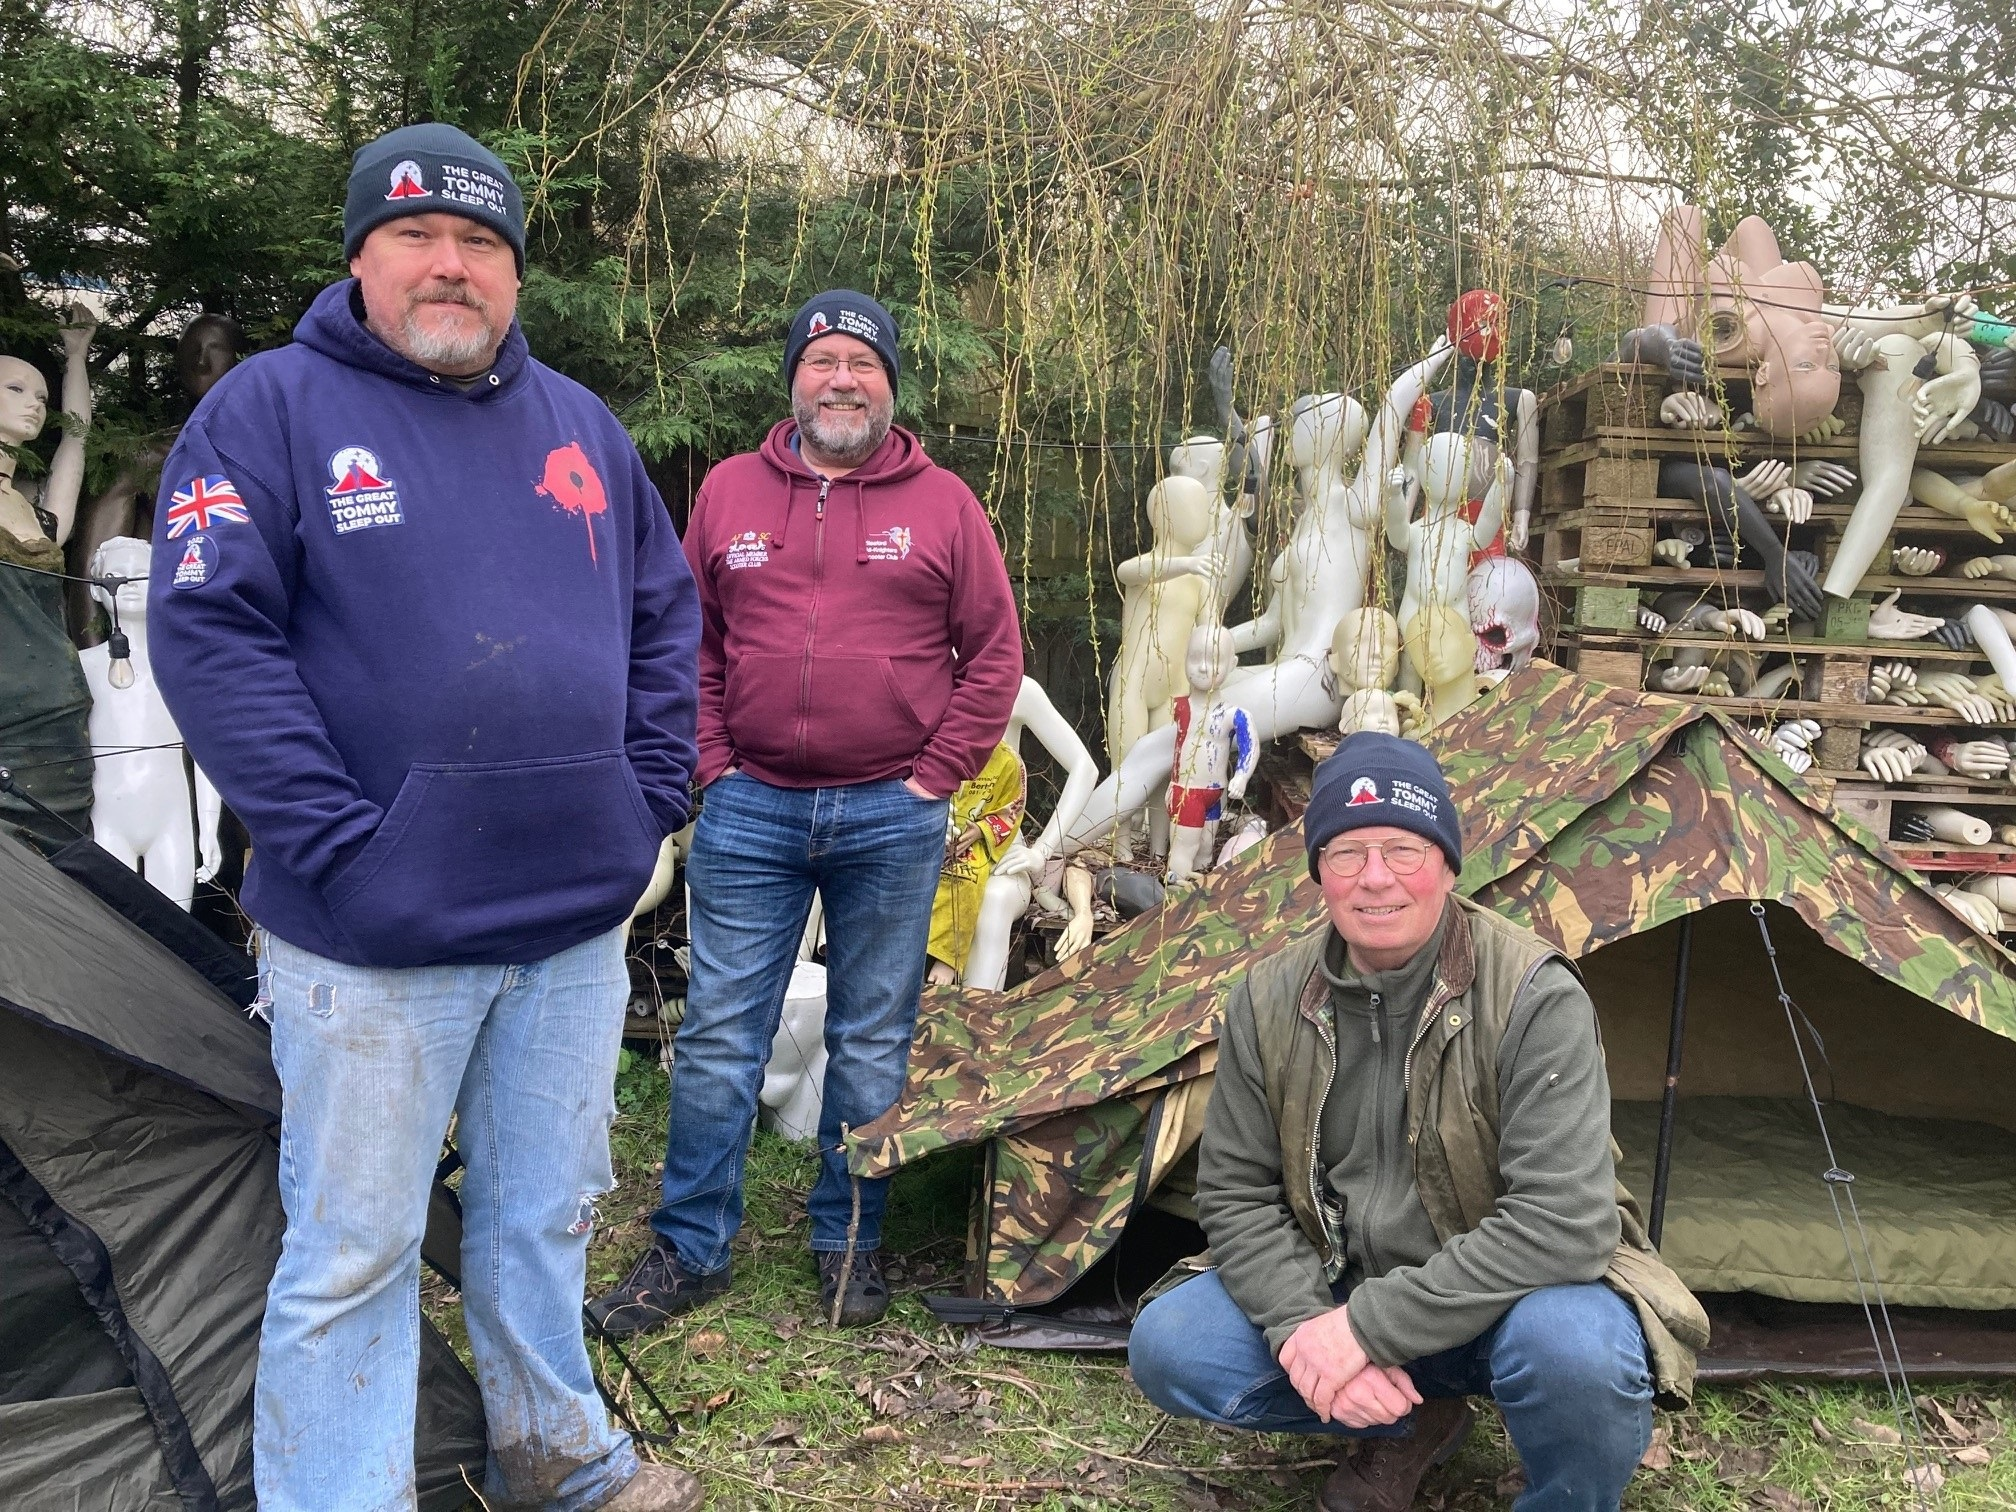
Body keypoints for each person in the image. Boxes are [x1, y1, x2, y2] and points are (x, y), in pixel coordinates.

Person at [148, 123, 704, 1512]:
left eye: (481, 244)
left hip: (572, 925)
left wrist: (643, 803)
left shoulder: (580, 425)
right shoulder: (270, 412)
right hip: (370, 937)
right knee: (355, 1249)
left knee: (544, 1219)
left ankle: (560, 1452)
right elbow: (213, 637)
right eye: (417, 238)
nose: (450, 267)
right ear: (360, 257)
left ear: (514, 272)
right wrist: (340, 843)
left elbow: (664, 621)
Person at [1127, 734, 1707, 1512]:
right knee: (1174, 1348)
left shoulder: (1533, 995)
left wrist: (1363, 1331)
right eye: (1346, 853)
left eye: (1403, 849)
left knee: (1578, 1355)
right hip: (1344, 1279)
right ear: (1318, 873)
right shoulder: (1266, 998)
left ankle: (1563, 1494)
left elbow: (1565, 1223)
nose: (1376, 879)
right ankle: (1410, 1420)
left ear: (1446, 862)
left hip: (1516, 1298)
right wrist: (1308, 1326)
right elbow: (1235, 1196)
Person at [591, 289, 1021, 1335]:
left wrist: (933, 778)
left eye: (862, 364)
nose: (841, 379)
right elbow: (685, 640)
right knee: (722, 1036)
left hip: (891, 814)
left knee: (872, 1040)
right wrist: (714, 764)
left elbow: (995, 656)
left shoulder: (945, 505)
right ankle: (690, 1248)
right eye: (823, 360)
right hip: (751, 812)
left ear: (890, 385)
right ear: (795, 378)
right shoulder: (732, 493)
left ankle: (848, 1247)